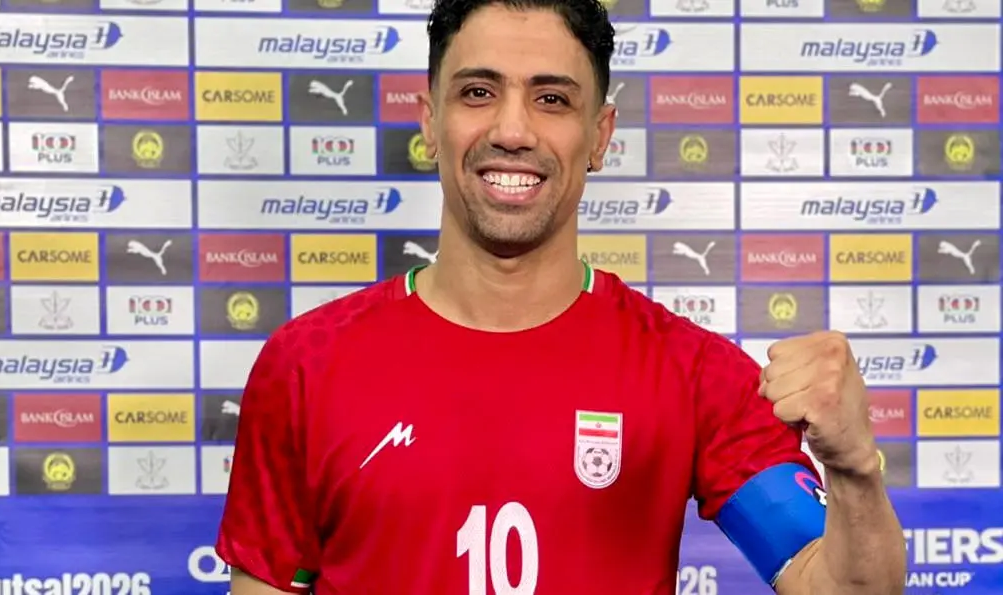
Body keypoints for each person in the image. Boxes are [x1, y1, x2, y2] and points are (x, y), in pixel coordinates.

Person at [215, 0, 908, 591]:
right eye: (477, 92)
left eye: (552, 99)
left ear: (600, 136)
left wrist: (853, 469)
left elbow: (838, 585)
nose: (512, 131)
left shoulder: (690, 371)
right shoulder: (307, 364)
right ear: (428, 121)